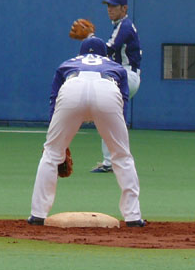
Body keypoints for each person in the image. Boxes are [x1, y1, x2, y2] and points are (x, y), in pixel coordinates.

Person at [28, 36, 145, 227]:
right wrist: (118, 133)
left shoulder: (67, 64)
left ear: (80, 54)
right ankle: (133, 217)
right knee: (122, 156)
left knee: (51, 154)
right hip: (107, 91)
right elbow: (123, 102)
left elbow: (53, 99)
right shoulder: (116, 66)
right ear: (104, 55)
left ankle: (37, 215)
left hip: (72, 89)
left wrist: (56, 139)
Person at [91, 0, 142, 173]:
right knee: (108, 114)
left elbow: (108, 49)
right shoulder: (121, 26)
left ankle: (116, 161)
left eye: (113, 6)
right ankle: (111, 162)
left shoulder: (125, 26)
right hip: (123, 75)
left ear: (124, 8)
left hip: (126, 76)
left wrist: (89, 39)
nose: (109, 9)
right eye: (108, 6)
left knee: (109, 114)